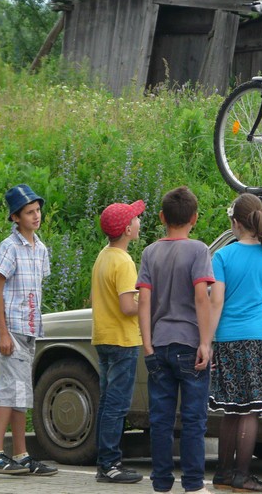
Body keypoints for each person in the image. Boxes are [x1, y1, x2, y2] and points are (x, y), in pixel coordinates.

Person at [137, 186, 214, 494]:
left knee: (160, 420)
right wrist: (205, 342)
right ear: (194, 218)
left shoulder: (149, 252)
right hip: (189, 344)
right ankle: (193, 485)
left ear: (161, 218)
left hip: (158, 344)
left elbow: (144, 300)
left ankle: (161, 484)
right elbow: (201, 297)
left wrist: (147, 344)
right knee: (194, 420)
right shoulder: (198, 250)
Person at [208, 194, 262, 492]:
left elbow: (216, 303)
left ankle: (223, 472)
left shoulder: (223, 257)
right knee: (251, 410)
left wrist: (209, 341)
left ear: (236, 223)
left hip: (228, 338)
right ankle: (243, 474)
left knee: (231, 408)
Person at [0, 184, 58, 476]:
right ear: (15, 217)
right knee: (8, 390)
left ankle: (20, 454)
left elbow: (37, 289)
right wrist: (2, 332)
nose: (36, 216)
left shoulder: (40, 248)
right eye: (29, 212)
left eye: (37, 210)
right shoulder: (9, 247)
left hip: (29, 328)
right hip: (11, 328)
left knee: (21, 392)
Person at [91, 200, 146, 484]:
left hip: (103, 337)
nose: (139, 222)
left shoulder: (104, 255)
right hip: (123, 340)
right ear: (127, 229)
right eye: (136, 219)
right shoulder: (124, 262)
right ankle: (110, 463)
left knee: (106, 402)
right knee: (117, 404)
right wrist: (148, 300)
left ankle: (104, 459)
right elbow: (128, 306)